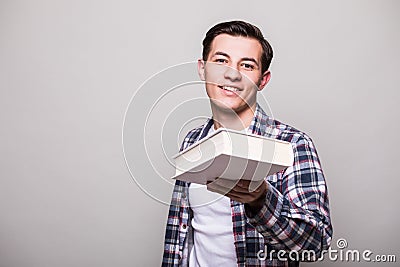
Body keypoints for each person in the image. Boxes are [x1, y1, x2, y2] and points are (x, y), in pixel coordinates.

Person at [162, 20, 332, 267]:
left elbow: (316, 243)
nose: (232, 73)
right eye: (221, 61)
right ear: (202, 69)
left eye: (247, 65)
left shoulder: (292, 144)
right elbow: (179, 236)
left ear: (262, 80)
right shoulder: (193, 140)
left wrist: (262, 200)